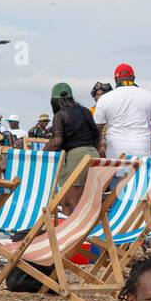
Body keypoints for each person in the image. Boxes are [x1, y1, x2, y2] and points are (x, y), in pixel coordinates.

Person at [45, 82, 101, 213]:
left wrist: (42, 153)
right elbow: (97, 135)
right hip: (94, 155)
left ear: (54, 101)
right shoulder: (85, 111)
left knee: (70, 204)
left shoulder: (60, 115)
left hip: (77, 157)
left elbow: (57, 141)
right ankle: (87, 230)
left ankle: (73, 232)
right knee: (88, 201)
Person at [94, 63, 151, 159]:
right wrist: (144, 132)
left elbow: (97, 128)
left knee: (116, 174)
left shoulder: (105, 98)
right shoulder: (149, 95)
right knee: (139, 174)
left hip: (115, 153)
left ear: (115, 79)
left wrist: (100, 144)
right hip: (141, 151)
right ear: (133, 78)